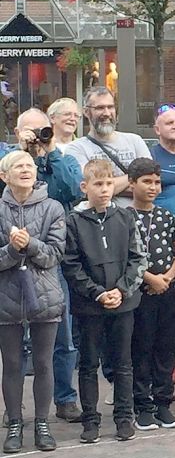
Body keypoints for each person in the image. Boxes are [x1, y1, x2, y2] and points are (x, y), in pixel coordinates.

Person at [63, 159, 147, 444]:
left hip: (123, 303)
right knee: (88, 364)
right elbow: (72, 266)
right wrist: (97, 292)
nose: (105, 190)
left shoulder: (125, 218)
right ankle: (90, 420)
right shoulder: (73, 222)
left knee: (123, 362)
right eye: (98, 184)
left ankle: (124, 417)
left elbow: (137, 259)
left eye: (109, 183)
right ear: (85, 187)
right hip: (90, 306)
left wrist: (121, 291)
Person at [6, 108, 83, 421]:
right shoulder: (9, 161)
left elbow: (71, 190)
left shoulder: (60, 158)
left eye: (43, 130)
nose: (38, 136)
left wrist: (49, 152)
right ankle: (15, 406)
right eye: (31, 131)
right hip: (12, 263)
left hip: (51, 259)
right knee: (13, 341)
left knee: (60, 334)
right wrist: (19, 153)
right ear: (17, 132)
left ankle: (64, 398)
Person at [0, 151, 66, 453]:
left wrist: (30, 244)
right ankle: (15, 423)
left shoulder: (53, 207)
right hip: (6, 297)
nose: (25, 170)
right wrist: (12, 251)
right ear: (5, 175)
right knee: (12, 364)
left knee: (43, 362)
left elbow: (54, 254)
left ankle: (42, 423)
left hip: (44, 295)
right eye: (18, 166)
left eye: (29, 165)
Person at [126, 159, 175, 432]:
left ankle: (163, 402)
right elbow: (123, 255)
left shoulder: (166, 216)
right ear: (132, 183)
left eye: (157, 182)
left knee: (166, 347)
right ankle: (142, 404)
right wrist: (149, 278)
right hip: (140, 293)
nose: (153, 187)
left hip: (167, 290)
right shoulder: (123, 217)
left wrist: (169, 277)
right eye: (146, 181)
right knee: (142, 347)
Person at [64, 86, 151, 209]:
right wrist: (136, 176)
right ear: (86, 112)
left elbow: (150, 183)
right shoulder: (76, 148)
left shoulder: (135, 141)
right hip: (100, 220)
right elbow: (88, 189)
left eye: (110, 107)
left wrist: (108, 185)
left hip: (140, 218)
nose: (107, 113)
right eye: (100, 108)